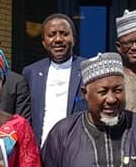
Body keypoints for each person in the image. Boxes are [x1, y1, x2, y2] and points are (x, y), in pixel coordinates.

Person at [22, 14, 89, 146]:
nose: (58, 39)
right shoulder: (31, 72)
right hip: (41, 149)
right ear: (43, 42)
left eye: (64, 34)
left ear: (74, 39)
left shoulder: (87, 69)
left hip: (77, 149)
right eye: (51, 35)